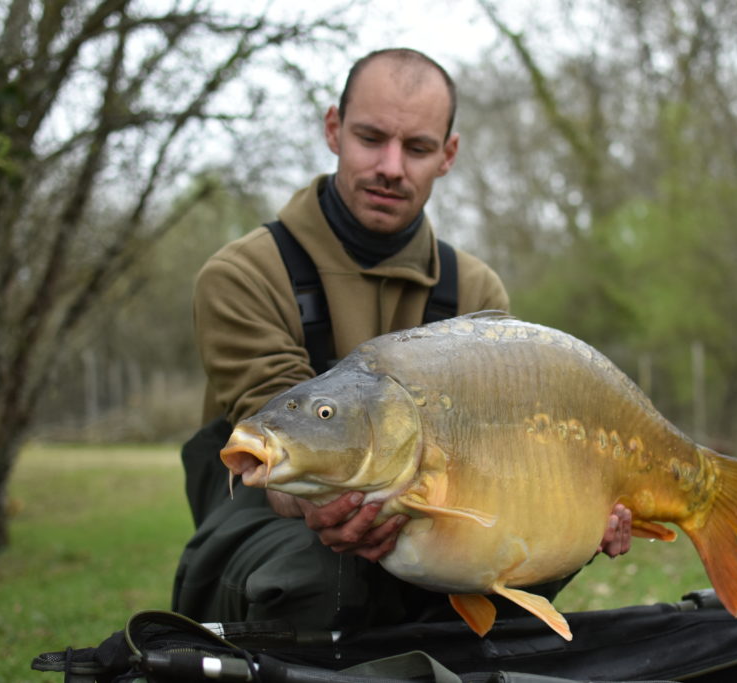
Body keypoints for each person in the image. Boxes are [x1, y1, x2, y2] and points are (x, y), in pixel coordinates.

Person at [171, 47, 632, 632]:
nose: (391, 166)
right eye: (371, 138)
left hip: (426, 517)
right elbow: (286, 451)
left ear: (447, 155)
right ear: (334, 130)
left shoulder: (474, 288)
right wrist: (323, 501)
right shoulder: (243, 275)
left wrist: (575, 518)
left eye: (416, 148)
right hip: (263, 529)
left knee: (527, 557)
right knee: (323, 579)